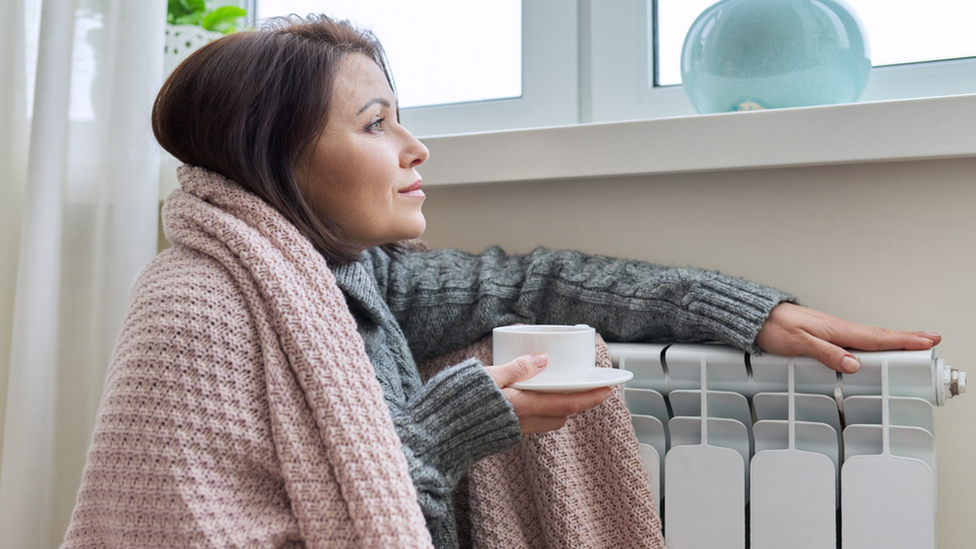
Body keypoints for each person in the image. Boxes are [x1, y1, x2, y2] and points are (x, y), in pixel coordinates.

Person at [62, 14, 940, 549]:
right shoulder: (195, 306)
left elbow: (532, 285)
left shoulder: (348, 281)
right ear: (278, 155)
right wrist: (447, 429)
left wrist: (754, 315)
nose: (416, 149)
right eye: (376, 125)